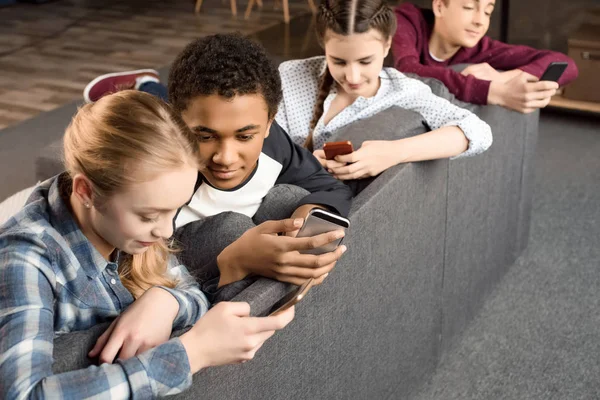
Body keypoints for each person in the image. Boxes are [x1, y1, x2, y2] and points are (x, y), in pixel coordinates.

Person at [0, 90, 294, 399]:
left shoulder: (129, 224)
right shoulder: (24, 259)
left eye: (175, 209)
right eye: (149, 215)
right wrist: (192, 353)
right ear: (86, 192)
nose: (167, 230)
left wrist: (166, 302)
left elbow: (191, 293)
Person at [83, 34, 351, 294]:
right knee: (231, 231)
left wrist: (302, 220)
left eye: (245, 136)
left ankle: (145, 84)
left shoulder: (274, 143)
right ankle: (140, 88)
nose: (226, 157)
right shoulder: (161, 175)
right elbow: (128, 273)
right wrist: (234, 263)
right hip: (180, 256)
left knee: (292, 198)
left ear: (270, 123)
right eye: (205, 136)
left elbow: (330, 189)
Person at [274, 0, 493, 182]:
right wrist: (304, 163)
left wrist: (393, 153)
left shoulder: (402, 90)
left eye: (365, 61)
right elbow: (263, 145)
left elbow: (478, 132)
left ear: (387, 46)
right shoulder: (290, 75)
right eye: (338, 61)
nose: (353, 77)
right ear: (324, 45)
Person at [392, 0, 579, 113]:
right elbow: (408, 71)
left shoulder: (480, 48)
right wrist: (497, 92)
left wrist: (503, 78)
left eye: (488, 11)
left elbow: (566, 64)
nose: (480, 21)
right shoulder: (405, 21)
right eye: (468, 7)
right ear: (440, 7)